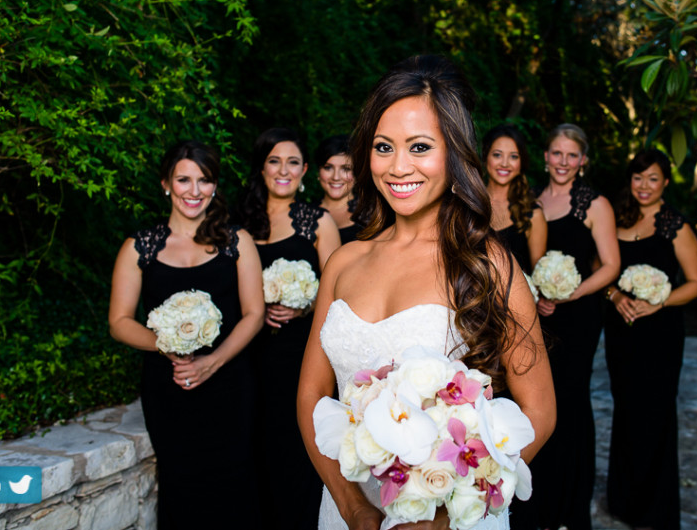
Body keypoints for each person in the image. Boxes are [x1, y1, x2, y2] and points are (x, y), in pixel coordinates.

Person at [297, 54, 556, 530]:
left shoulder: (488, 264)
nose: (397, 167)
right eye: (382, 147)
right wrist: (353, 508)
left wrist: (446, 511)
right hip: (346, 511)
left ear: (454, 153)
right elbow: (313, 395)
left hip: (451, 517)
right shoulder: (344, 262)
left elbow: (539, 409)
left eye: (419, 147)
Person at [108, 140, 264, 529]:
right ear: (166, 184)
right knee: (180, 484)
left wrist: (212, 361)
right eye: (184, 180)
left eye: (204, 180)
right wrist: (168, 348)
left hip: (229, 384)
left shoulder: (237, 241)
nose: (194, 191)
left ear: (215, 186)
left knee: (233, 483)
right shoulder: (139, 247)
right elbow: (120, 321)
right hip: (169, 388)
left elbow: (254, 314)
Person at [515, 124, 620, 530]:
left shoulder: (594, 204)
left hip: (578, 317)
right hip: (537, 314)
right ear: (545, 157)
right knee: (538, 402)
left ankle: (571, 507)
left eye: (571, 155)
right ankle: (539, 499)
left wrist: (569, 295)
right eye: (556, 153)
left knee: (571, 402)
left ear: (583, 161)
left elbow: (611, 265)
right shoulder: (533, 201)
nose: (562, 161)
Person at [238, 126, 341, 530]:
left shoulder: (318, 221)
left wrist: (302, 307)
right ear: (261, 167)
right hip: (246, 355)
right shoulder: (238, 222)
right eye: (274, 160)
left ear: (305, 171)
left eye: (293, 162)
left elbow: (338, 294)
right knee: (250, 444)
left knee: (294, 446)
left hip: (299, 353)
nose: (284, 170)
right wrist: (253, 310)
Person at [603, 149, 697, 530]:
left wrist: (659, 303)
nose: (644, 186)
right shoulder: (617, 217)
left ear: (665, 181)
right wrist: (614, 295)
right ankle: (623, 500)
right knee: (626, 411)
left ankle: (654, 509)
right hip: (621, 333)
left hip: (659, 336)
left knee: (656, 416)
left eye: (652, 178)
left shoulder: (675, 226)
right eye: (637, 177)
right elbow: (600, 265)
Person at [482, 124, 547, 272]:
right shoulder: (468, 203)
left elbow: (538, 277)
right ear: (486, 157)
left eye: (513, 156)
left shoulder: (533, 215)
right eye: (497, 155)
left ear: (521, 163)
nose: (504, 163)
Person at [316, 134, 361, 244]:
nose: (336, 177)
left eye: (345, 169)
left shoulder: (374, 214)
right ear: (318, 172)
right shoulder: (304, 214)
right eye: (328, 168)